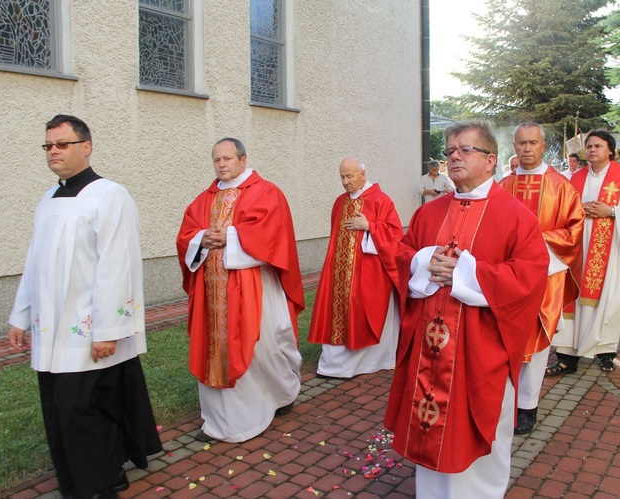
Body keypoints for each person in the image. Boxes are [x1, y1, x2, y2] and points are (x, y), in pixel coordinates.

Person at [385, 121, 549, 498]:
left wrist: (465, 271)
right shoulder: (428, 213)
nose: (454, 156)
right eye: (449, 151)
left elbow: (529, 275)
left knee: (476, 425)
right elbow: (402, 253)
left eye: (465, 149)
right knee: (430, 424)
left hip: (479, 346)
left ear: (491, 160)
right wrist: (424, 261)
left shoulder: (515, 215)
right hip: (430, 348)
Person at [8, 115, 162, 499]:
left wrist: (109, 330)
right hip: (51, 327)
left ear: (86, 147)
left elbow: (117, 264)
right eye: (48, 146)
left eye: (62, 144)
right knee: (63, 407)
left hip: (88, 327)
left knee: (82, 409)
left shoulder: (110, 195)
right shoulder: (48, 198)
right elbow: (35, 261)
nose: (54, 152)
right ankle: (99, 477)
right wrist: (20, 315)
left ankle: (96, 484)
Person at [176, 138, 305, 443]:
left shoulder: (266, 192)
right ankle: (227, 420)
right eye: (216, 160)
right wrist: (200, 239)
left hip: (255, 286)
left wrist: (230, 237)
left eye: (227, 159)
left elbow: (273, 232)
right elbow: (186, 234)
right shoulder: (203, 199)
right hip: (213, 291)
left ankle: (282, 393)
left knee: (266, 347)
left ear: (243, 160)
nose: (221, 164)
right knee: (216, 350)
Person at [499, 123, 584, 435]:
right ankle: (503, 401)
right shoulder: (503, 186)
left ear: (543, 145)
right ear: (514, 144)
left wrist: (534, 238)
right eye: (520, 142)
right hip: (506, 277)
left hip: (545, 276)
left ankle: (527, 407)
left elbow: (574, 230)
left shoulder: (561, 186)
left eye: (532, 142)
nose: (526, 148)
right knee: (505, 338)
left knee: (533, 344)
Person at [548, 130, 620, 375]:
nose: (592, 150)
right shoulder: (574, 178)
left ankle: (605, 352)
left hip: (609, 250)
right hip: (578, 251)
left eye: (598, 146)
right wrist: (578, 209)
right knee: (572, 299)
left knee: (607, 297)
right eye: (589, 146)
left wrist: (612, 211)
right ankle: (567, 357)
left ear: (610, 150)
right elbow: (561, 208)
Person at [308, 158, 402, 378]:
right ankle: (335, 363)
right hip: (339, 271)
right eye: (342, 176)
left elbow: (396, 235)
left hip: (369, 273)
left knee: (362, 311)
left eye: (350, 176)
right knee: (336, 311)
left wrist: (370, 226)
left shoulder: (380, 200)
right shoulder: (340, 202)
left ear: (362, 174)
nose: (345, 181)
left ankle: (369, 361)